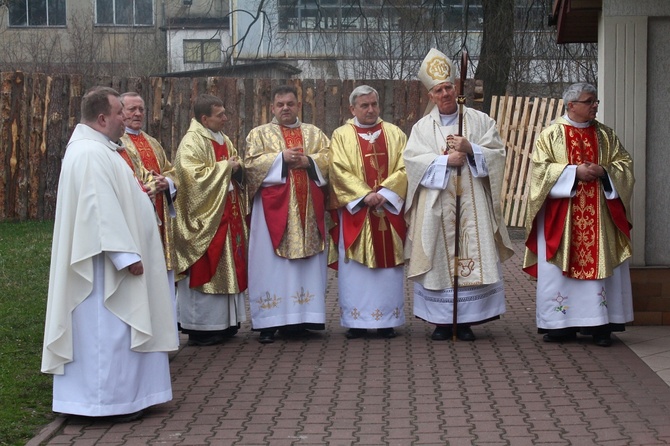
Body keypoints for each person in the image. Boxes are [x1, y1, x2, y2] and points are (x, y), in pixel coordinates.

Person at [41, 86, 178, 421]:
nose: (125, 118)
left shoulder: (100, 148)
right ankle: (105, 401)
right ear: (102, 118)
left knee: (120, 331)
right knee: (109, 332)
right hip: (104, 272)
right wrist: (125, 256)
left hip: (115, 260)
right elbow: (98, 211)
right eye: (119, 112)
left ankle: (128, 396)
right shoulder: (89, 153)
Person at [403, 48, 514, 341]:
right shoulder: (422, 128)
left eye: (449, 87)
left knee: (470, 250)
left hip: (472, 202)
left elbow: (498, 155)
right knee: (439, 259)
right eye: (438, 90)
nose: (445, 93)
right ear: (430, 95)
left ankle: (465, 321)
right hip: (437, 205)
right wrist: (443, 161)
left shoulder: (478, 121)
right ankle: (442, 322)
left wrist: (471, 149)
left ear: (456, 87)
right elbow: (412, 164)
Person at [523, 82, 635, 347]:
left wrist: (604, 172)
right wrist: (574, 173)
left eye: (596, 101)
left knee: (600, 267)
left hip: (600, 216)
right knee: (559, 271)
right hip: (563, 218)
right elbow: (539, 172)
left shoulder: (606, 135)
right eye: (590, 101)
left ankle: (600, 326)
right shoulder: (551, 135)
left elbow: (625, 165)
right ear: (571, 105)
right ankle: (560, 326)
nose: (595, 105)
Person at [244, 84, 330, 344]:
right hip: (273, 212)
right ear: (272, 107)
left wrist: (309, 162)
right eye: (280, 104)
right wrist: (280, 158)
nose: (285, 108)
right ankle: (270, 322)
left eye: (290, 104)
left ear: (298, 106)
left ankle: (303, 318)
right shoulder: (258, 134)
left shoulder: (314, 133)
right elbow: (250, 165)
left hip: (308, 213)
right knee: (271, 267)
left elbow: (330, 158)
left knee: (305, 269)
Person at [328, 85, 408, 339]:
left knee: (387, 271)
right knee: (356, 272)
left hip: (387, 211)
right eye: (365, 105)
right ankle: (356, 321)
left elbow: (407, 166)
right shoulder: (341, 135)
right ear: (353, 108)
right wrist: (364, 195)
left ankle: (387, 320)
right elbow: (337, 170)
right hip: (358, 213)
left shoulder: (395, 133)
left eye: (374, 104)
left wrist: (385, 192)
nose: (371, 109)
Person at [172, 94, 248, 347]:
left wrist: (236, 166)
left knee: (228, 266)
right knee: (209, 266)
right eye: (220, 115)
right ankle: (202, 327)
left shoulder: (222, 138)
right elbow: (191, 177)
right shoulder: (192, 141)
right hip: (205, 219)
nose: (226, 118)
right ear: (205, 118)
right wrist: (227, 167)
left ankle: (226, 323)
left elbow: (235, 161)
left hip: (228, 214)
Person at [119, 92, 179, 342]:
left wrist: (168, 183)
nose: (137, 114)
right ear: (120, 112)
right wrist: (150, 186)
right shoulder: (118, 143)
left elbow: (170, 171)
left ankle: (165, 336)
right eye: (131, 110)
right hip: (136, 221)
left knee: (162, 281)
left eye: (141, 109)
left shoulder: (153, 142)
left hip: (161, 221)